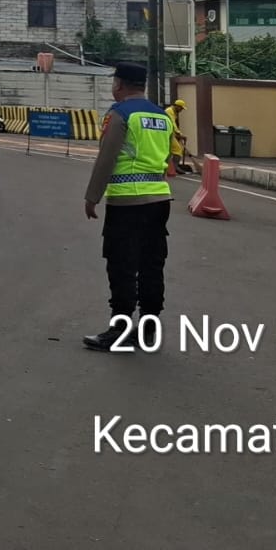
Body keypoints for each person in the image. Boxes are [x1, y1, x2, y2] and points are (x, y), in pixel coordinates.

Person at [82, 62, 174, 352]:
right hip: (159, 199)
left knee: (122, 264)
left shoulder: (120, 114)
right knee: (151, 264)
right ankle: (148, 329)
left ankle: (119, 329)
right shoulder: (162, 116)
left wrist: (92, 196)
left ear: (119, 84)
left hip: (127, 202)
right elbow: (167, 158)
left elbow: (106, 158)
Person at [165, 98, 193, 176]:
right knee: (177, 150)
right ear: (177, 106)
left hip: (169, 133)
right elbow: (172, 124)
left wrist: (178, 134)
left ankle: (171, 168)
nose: (181, 110)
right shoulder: (169, 111)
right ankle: (174, 168)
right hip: (167, 134)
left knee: (170, 151)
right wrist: (179, 134)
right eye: (181, 108)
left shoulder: (173, 112)